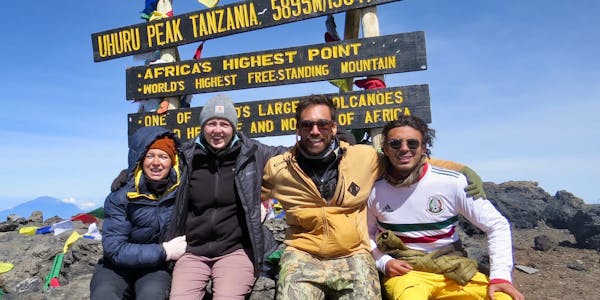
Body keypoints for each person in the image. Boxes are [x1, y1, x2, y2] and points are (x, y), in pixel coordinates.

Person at [261, 94, 486, 299]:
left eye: (323, 124)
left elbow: (403, 159)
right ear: (298, 129)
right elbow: (248, 196)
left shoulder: (363, 157)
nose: (315, 131)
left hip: (354, 253)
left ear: (334, 126)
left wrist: (462, 169)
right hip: (302, 253)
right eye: (307, 124)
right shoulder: (278, 168)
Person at [367, 116, 524, 300]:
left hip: (452, 267)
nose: (404, 149)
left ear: (423, 147)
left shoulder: (451, 182)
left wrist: (501, 276)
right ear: (385, 149)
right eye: (395, 144)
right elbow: (365, 234)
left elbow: (496, 225)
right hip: (407, 273)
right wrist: (384, 262)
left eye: (412, 143)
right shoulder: (374, 189)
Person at [167, 94, 288, 299]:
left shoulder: (253, 153)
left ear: (233, 127)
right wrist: (128, 175)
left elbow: (292, 155)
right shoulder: (186, 156)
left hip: (236, 251)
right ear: (202, 126)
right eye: (211, 123)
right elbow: (154, 164)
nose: (217, 130)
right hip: (193, 251)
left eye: (224, 124)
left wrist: (344, 144)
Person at [90, 126, 187, 299]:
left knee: (152, 295)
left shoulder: (181, 192)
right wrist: (164, 251)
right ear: (140, 159)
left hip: (155, 268)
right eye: (150, 155)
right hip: (116, 267)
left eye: (163, 156)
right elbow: (114, 249)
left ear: (173, 161)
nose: (156, 162)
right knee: (104, 294)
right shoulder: (120, 196)